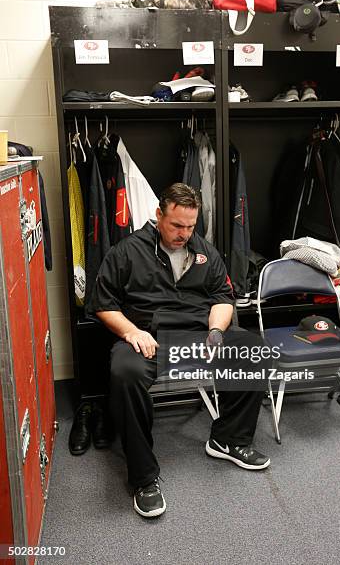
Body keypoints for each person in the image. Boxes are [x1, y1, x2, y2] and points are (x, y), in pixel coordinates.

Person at [88, 183, 270, 518]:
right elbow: (102, 304)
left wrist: (216, 332)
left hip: (200, 333)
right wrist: (131, 331)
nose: (184, 233)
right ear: (159, 215)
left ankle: (227, 440)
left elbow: (222, 298)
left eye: (190, 226)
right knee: (124, 372)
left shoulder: (205, 251)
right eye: (176, 225)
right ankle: (144, 478)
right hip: (150, 337)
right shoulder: (127, 251)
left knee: (252, 350)